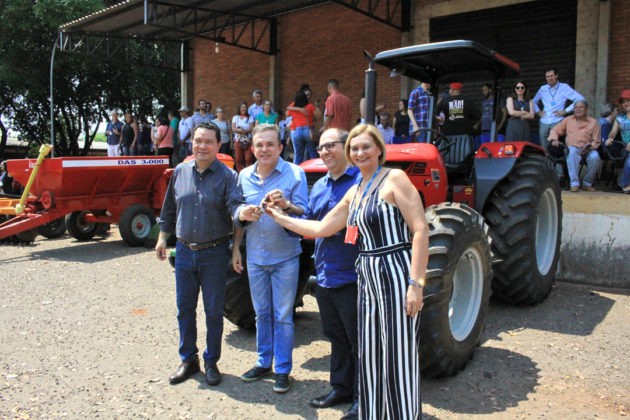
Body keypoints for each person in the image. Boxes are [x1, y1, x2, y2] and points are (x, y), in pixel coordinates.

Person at [265, 123, 428, 419]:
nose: (360, 152)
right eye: (355, 148)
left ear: (379, 148)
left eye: (366, 147)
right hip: (367, 278)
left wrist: (415, 283)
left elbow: (420, 230)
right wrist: (279, 216)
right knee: (370, 352)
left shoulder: (395, 179)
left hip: (394, 274)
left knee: (398, 352)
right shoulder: (355, 191)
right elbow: (320, 227)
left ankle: (404, 413)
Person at [155, 121, 244, 387]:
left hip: (214, 253)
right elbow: (169, 208)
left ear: (219, 145)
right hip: (183, 252)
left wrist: (238, 241)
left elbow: (236, 211)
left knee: (214, 311)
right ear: (191, 143)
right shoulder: (180, 172)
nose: (202, 145)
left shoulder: (229, 177)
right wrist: (162, 238)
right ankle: (188, 360)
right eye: (197, 140)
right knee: (184, 309)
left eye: (208, 141)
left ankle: (211, 361)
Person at [232, 124, 308, 394]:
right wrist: (237, 245)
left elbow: (305, 215)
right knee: (261, 314)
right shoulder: (243, 176)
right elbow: (237, 214)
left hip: (285, 256)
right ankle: (264, 362)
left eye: (270, 144)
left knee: (283, 316)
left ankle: (283, 370)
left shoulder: (295, 174)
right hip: (254, 256)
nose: (264, 149)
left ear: (280, 146)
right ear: (252, 148)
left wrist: (286, 205)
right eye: (259, 145)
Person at [304, 128, 361, 419]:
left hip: (352, 276)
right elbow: (312, 224)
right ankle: (341, 388)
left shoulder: (362, 182)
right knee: (336, 336)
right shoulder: (319, 186)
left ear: (346, 147)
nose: (325, 151)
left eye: (331, 145)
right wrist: (285, 208)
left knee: (359, 341)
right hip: (325, 274)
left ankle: (364, 399)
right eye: (321, 147)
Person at [548, 100, 601, 192]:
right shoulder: (568, 120)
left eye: (581, 107)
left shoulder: (593, 122)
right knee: (572, 152)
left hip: (588, 150)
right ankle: (574, 184)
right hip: (572, 148)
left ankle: (587, 183)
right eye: (576, 107)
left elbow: (597, 140)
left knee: (595, 156)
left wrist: (590, 147)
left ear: (586, 109)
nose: (578, 109)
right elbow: (555, 130)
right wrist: (554, 139)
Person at [533, 68, 584, 149]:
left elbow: (580, 99)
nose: (550, 78)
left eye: (551, 76)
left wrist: (565, 111)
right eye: (547, 76)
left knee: (557, 144)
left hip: (557, 120)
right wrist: (538, 111)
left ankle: (558, 161)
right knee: (544, 145)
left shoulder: (564, 87)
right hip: (544, 120)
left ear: (556, 76)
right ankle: (546, 161)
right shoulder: (543, 88)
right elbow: (533, 102)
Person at [604, 90, 630, 194]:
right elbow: (613, 132)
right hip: (625, 148)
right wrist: (609, 139)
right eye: (624, 102)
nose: (626, 103)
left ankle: (624, 184)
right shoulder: (620, 118)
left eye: (628, 100)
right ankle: (626, 185)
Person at [287, 90, 317, 165]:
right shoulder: (310, 106)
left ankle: (296, 175)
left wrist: (297, 109)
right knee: (312, 153)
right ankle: (316, 173)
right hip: (308, 130)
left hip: (297, 131)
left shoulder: (293, 106)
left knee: (298, 155)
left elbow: (287, 113)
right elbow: (318, 115)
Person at [232, 102, 254, 172]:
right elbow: (233, 128)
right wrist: (241, 131)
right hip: (238, 139)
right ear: (239, 108)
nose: (243, 109)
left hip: (247, 139)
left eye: (245, 107)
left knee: (248, 158)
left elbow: (251, 128)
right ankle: (240, 173)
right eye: (242, 107)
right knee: (238, 158)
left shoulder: (250, 117)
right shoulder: (236, 117)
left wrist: (243, 131)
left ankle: (248, 172)